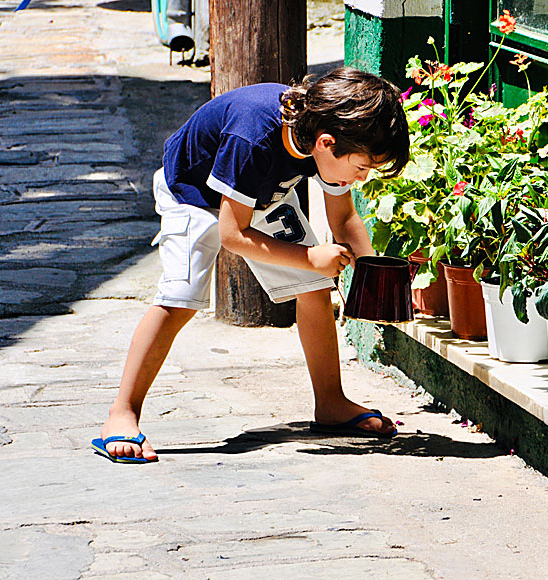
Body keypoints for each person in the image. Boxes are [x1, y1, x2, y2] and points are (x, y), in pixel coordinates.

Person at [91, 67, 410, 463]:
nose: (361, 178)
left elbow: (343, 218)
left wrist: (374, 276)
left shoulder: (326, 134)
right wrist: (311, 257)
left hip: (260, 197)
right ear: (327, 144)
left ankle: (330, 403)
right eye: (362, 168)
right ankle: (121, 414)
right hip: (194, 194)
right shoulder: (254, 136)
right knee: (181, 297)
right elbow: (232, 235)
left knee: (313, 287)